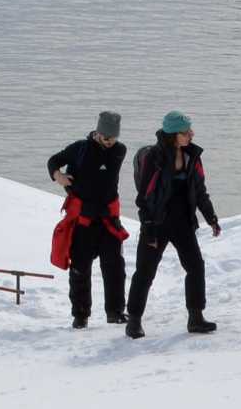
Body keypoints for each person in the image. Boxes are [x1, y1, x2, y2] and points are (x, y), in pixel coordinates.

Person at [125, 111, 220, 338]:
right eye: (186, 132)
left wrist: (211, 218)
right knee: (145, 272)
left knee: (196, 267)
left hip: (183, 222)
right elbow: (144, 197)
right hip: (156, 223)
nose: (191, 134)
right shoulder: (154, 158)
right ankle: (134, 321)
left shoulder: (192, 156)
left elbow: (200, 191)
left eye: (190, 130)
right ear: (172, 134)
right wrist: (148, 227)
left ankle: (195, 318)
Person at [47, 111, 128, 329]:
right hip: (83, 220)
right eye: (106, 137)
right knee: (80, 268)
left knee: (114, 266)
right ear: (98, 132)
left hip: (109, 219)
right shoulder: (79, 149)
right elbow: (53, 161)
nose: (110, 142)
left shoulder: (120, 151)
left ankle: (115, 312)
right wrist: (59, 176)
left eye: (114, 138)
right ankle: (80, 315)